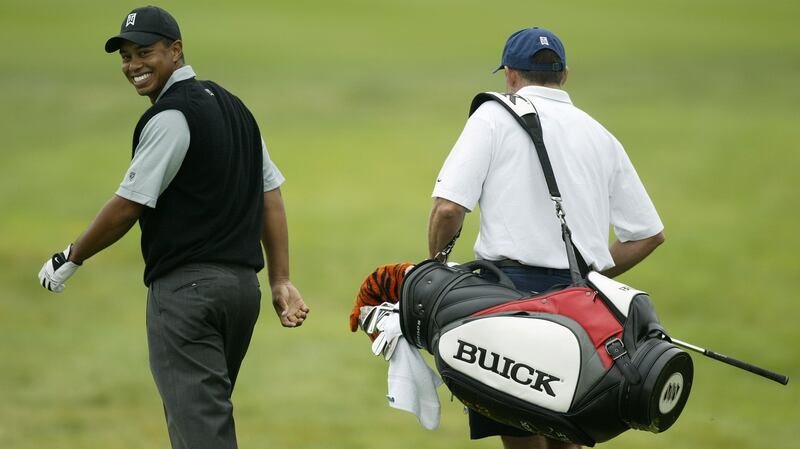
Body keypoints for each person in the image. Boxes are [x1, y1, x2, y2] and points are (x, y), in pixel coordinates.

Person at [37, 6, 309, 449]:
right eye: (125, 57)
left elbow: (128, 205)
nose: (134, 66)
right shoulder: (236, 108)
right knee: (207, 422)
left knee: (200, 436)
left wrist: (71, 256)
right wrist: (279, 280)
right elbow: (270, 194)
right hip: (241, 294)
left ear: (176, 51)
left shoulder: (170, 117)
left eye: (145, 52)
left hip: (188, 296)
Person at [427, 27, 665, 449]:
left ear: (511, 75)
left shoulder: (494, 116)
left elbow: (448, 209)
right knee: (568, 433)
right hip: (583, 303)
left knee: (518, 431)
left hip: (508, 299)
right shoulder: (599, 134)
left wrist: (437, 267)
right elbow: (646, 235)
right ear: (565, 75)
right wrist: (592, 273)